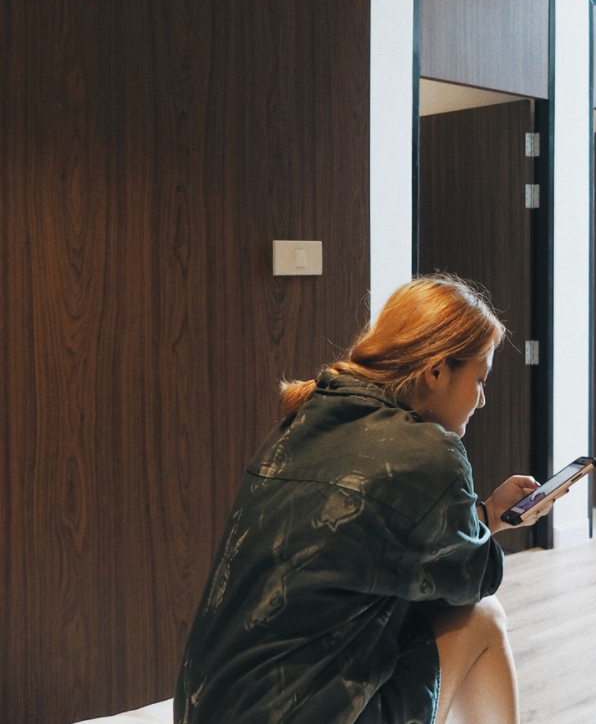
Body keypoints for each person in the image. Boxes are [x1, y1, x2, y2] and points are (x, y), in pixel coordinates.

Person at [174, 274, 553, 724]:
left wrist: (488, 514)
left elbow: (378, 541)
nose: (482, 400)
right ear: (435, 371)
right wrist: (484, 524)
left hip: (204, 710)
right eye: (479, 379)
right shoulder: (428, 453)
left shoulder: (309, 417)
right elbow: (475, 578)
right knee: (481, 618)